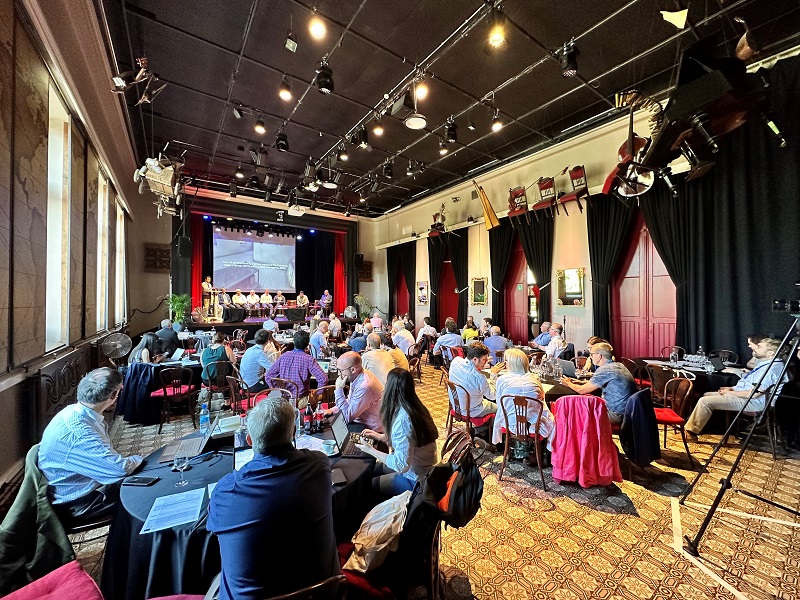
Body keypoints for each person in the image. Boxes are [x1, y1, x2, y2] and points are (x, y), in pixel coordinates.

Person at [208, 397, 339, 600]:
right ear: (293, 432)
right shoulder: (320, 465)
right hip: (323, 594)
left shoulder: (225, 491)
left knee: (215, 579)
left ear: (249, 440)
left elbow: (214, 532)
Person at [38, 368, 143, 525]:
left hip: (80, 487)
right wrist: (140, 459)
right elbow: (119, 470)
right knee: (146, 492)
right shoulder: (80, 432)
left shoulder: (73, 412)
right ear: (114, 395)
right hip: (78, 503)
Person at [685, 335, 788, 437]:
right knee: (706, 395)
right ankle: (706, 427)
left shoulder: (772, 369)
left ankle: (691, 433)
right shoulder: (767, 364)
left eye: (760, 347)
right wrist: (732, 388)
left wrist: (730, 392)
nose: (756, 348)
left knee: (705, 402)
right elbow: (750, 384)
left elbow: (754, 394)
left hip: (755, 402)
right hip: (748, 398)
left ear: (771, 353)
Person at [359, 369, 439, 499]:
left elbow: (401, 465)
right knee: (371, 471)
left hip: (416, 479)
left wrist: (371, 450)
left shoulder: (403, 420)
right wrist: (379, 436)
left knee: (367, 486)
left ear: (390, 389)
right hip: (422, 469)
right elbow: (408, 442)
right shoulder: (414, 406)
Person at [491, 349, 555, 448]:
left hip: (511, 424)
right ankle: (540, 449)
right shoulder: (535, 379)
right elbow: (542, 401)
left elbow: (500, 404)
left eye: (506, 361)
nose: (505, 363)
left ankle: (507, 447)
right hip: (535, 425)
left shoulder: (502, 380)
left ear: (512, 363)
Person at [560, 342, 636, 424]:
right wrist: (580, 382)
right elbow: (600, 382)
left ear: (599, 356)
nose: (590, 357)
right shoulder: (618, 365)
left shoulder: (605, 370)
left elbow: (581, 390)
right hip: (628, 411)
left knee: (577, 410)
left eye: (592, 354)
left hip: (615, 414)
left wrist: (568, 383)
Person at [265, 330, 327, 409]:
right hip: (301, 400)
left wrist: (278, 390)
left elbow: (269, 376)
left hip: (284, 399)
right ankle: (317, 412)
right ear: (307, 344)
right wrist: (317, 392)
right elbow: (323, 379)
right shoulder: (309, 359)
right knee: (325, 393)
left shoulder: (283, 356)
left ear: (294, 342)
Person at [324, 351, 384, 432]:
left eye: (341, 370)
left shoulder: (364, 386)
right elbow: (350, 402)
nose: (338, 374)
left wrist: (338, 389)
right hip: (359, 422)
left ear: (353, 369)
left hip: (370, 429)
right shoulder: (357, 376)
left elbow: (346, 417)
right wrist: (332, 410)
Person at [449, 342, 504, 418]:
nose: (486, 361)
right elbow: (492, 396)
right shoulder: (479, 378)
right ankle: (487, 425)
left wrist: (481, 362)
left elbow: (471, 371)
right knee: (501, 410)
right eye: (484, 359)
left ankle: (485, 425)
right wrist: (493, 374)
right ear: (475, 359)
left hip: (456, 405)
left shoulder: (456, 361)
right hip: (471, 410)